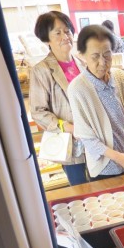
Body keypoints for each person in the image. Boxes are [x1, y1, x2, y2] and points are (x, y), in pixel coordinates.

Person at [68, 25, 124, 181]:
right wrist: (119, 158)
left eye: (107, 55)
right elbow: (87, 139)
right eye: (95, 56)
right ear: (82, 55)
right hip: (105, 169)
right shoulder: (77, 89)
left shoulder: (122, 78)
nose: (103, 62)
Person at [29, 11, 88, 185]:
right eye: (58, 32)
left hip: (96, 141)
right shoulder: (42, 70)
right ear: (47, 39)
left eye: (67, 30)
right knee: (82, 193)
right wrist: (67, 126)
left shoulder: (83, 64)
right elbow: (38, 112)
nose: (65, 36)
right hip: (71, 145)